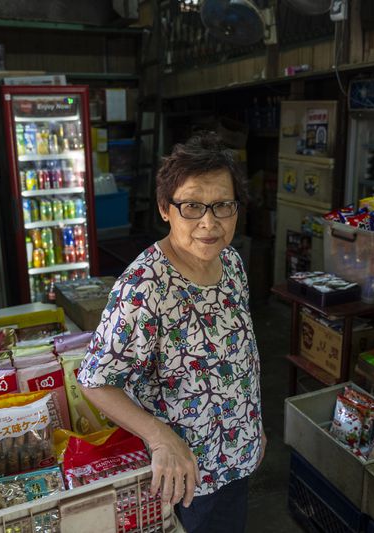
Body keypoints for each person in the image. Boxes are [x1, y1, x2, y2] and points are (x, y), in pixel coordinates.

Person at [77, 132, 265, 533]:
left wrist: (254, 424)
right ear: (166, 208)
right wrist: (161, 439)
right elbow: (95, 380)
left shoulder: (230, 262)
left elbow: (239, 357)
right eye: (193, 206)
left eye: (223, 206)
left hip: (238, 459)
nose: (209, 223)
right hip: (188, 480)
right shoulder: (144, 286)